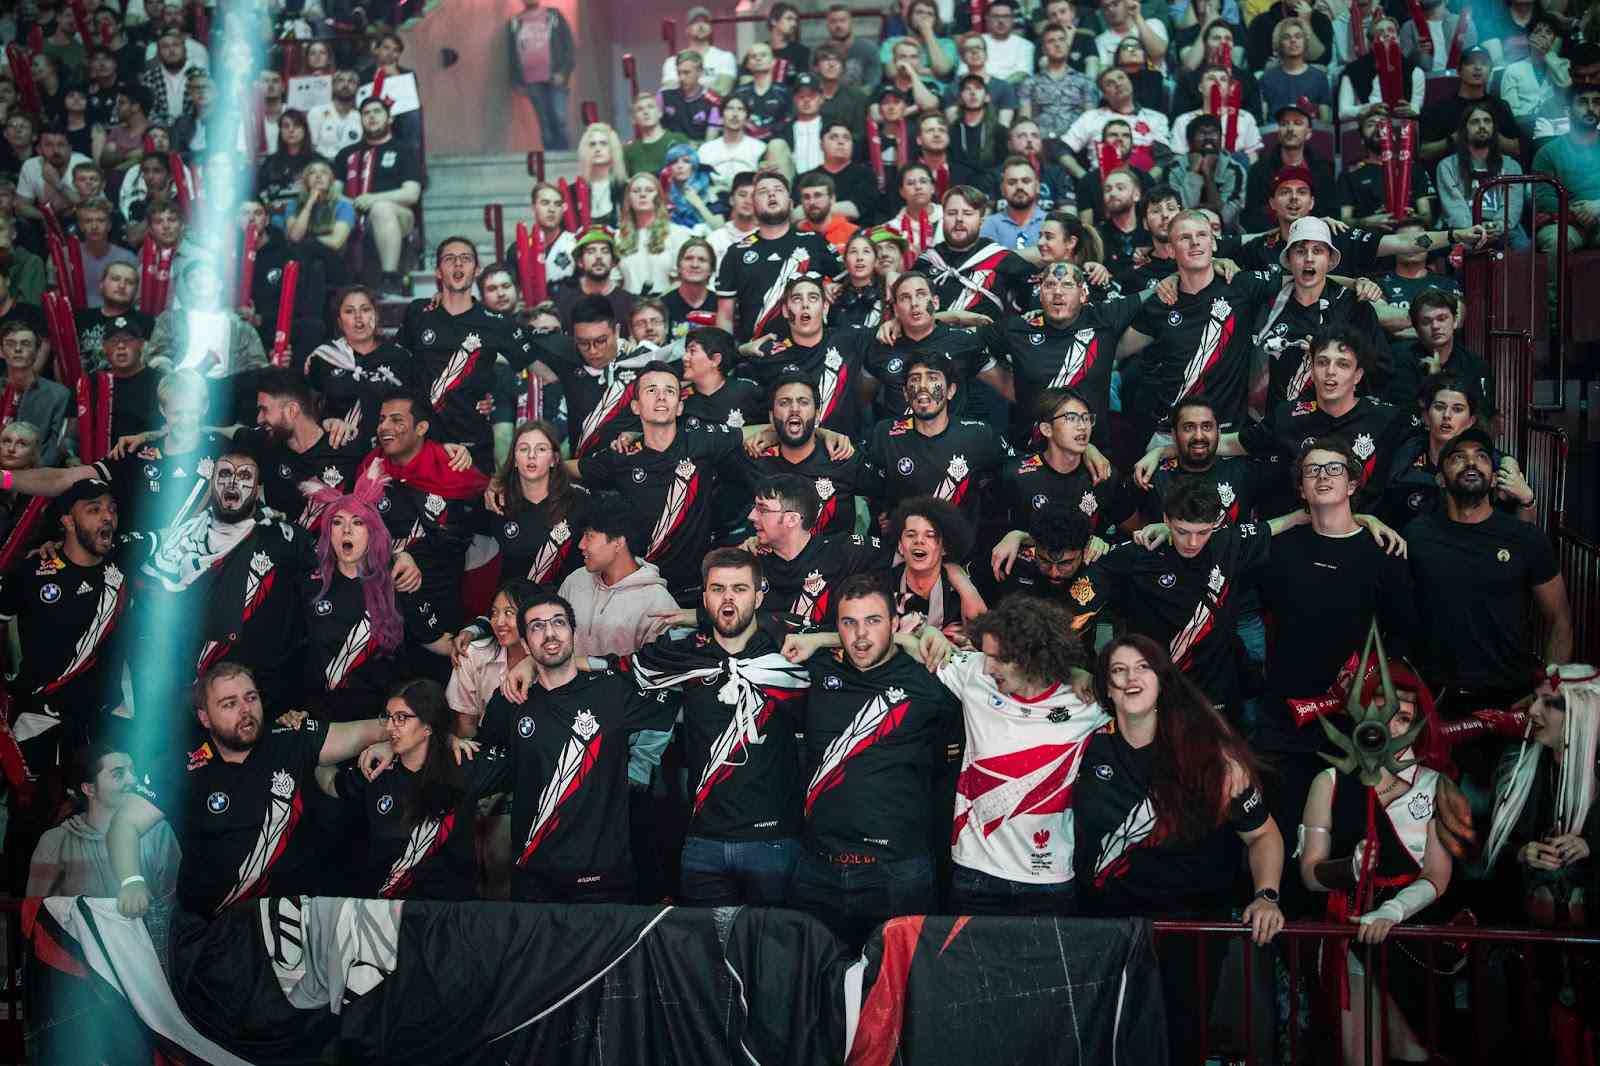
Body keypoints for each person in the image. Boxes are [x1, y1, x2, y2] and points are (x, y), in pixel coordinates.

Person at [1076, 634, 1284, 1062]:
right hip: (1107, 932)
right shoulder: (1083, 746)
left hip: (1190, 934)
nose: (1131, 678)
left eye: (1142, 668)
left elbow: (1263, 834)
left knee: (1181, 1045)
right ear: (1106, 688)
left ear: (1162, 681)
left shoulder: (1210, 755)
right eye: (1119, 670)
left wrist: (1266, 895)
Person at [1252, 438, 1419, 907]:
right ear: (1302, 489)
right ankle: (1283, 944)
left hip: (1354, 723)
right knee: (1282, 828)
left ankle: (1337, 953)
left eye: (1334, 468)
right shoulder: (1280, 549)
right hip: (1285, 715)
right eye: (1312, 471)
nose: (1323, 476)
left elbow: (1403, 639)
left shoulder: (1384, 550)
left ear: (1352, 482)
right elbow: (1226, 550)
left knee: (1346, 837)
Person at [110, 661, 390, 917]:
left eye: (251, 698)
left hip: (289, 920)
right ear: (205, 717)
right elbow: (124, 824)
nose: (245, 711)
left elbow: (367, 731)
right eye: (229, 704)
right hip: (212, 927)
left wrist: (390, 741)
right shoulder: (180, 765)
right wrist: (131, 881)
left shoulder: (290, 738)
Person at [622, 547, 812, 905]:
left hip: (774, 842)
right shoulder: (687, 658)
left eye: (739, 589)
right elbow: (618, 669)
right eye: (718, 589)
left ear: (758, 597)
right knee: (705, 954)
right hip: (703, 842)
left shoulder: (789, 654)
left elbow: (856, 641)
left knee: (772, 954)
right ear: (705, 598)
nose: (728, 598)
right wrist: (532, 667)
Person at [779, 575, 960, 941]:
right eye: (849, 623)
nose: (861, 636)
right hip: (818, 867)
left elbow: (1011, 674)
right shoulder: (818, 672)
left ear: (895, 623)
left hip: (897, 871)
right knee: (815, 986)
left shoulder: (929, 679)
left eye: (873, 621)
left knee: (899, 990)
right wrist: (818, 639)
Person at [474, 591, 677, 902]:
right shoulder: (510, 700)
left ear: (573, 632)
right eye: (537, 626)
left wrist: (640, 764)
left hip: (603, 877)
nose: (551, 632)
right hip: (534, 874)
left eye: (559, 623)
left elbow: (674, 684)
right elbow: (480, 753)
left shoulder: (612, 692)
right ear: (525, 643)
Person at [1299, 663, 1456, 1066]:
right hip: (1350, 933)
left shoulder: (1436, 785)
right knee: (1360, 1056)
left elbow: (1438, 876)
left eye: (1404, 716)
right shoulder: (1328, 782)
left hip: (1414, 937)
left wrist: (1392, 910)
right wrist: (1347, 870)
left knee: (1415, 1051)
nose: (1392, 724)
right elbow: (1309, 874)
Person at [1405, 427, 1568, 710]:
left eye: (1481, 456)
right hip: (1433, 699)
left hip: (1511, 698)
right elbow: (1395, 615)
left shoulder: (1525, 538)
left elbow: (1560, 619)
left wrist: (1548, 690)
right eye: (1458, 457)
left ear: (1494, 478)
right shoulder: (1415, 535)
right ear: (1440, 479)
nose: (1471, 462)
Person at [1114, 210, 1283, 443]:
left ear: (1213, 243)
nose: (1194, 242)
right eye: (1185, 237)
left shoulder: (1240, 285)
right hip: (1171, 434)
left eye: (1202, 235)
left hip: (1227, 433)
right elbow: (1117, 350)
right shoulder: (1161, 302)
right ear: (1171, 250)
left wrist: (1353, 283)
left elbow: (1305, 281)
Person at [0, 479, 131, 773]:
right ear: (68, 521)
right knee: (34, 811)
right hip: (38, 717)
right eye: (93, 509)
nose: (107, 516)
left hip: (100, 722)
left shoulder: (126, 563)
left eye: (112, 509)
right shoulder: (31, 571)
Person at [400, 238, 538, 472]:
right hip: (424, 444)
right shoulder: (418, 312)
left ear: (476, 269)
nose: (457, 265)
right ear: (438, 271)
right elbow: (396, 365)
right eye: (449, 259)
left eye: (465, 259)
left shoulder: (495, 323)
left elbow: (539, 365)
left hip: (474, 447)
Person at [1483, 666, 1598, 928]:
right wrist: (1522, 853)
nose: (1533, 711)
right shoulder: (1516, 764)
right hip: (1523, 926)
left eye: (1549, 703)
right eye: (1535, 699)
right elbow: (1487, 848)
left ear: (1582, 713)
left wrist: (1590, 845)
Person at [293, 465, 409, 722]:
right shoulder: (308, 585)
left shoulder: (396, 581)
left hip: (380, 724)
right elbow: (292, 656)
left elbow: (417, 655)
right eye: (337, 522)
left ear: (372, 533)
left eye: (357, 522)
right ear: (328, 532)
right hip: (320, 724)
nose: (346, 531)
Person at [27, 743, 180, 901]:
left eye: (133, 771)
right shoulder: (56, 842)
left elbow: (172, 904)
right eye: (118, 774)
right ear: (89, 789)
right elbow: (35, 911)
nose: (133, 780)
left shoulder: (158, 832)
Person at [714, 171, 841, 343]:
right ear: (753, 205)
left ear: (790, 203)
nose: (771, 194)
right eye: (763, 191)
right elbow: (725, 317)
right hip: (758, 357)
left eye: (778, 190)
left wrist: (833, 286)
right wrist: (728, 360)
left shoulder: (814, 241)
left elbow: (850, 279)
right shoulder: (736, 253)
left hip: (812, 354)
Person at [742, 374, 876, 537]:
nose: (794, 408)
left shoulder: (841, 456)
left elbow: (889, 493)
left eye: (803, 402)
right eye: (784, 403)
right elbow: (722, 436)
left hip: (832, 560)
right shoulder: (755, 458)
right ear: (771, 416)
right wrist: (770, 432)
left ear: (817, 414)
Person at [556, 492, 678, 658]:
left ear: (618, 542)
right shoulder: (575, 581)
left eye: (589, 536)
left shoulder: (658, 603)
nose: (581, 545)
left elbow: (657, 670)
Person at [306, 285, 420, 452]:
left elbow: (413, 411)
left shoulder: (399, 357)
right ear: (339, 321)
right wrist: (324, 423)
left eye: (365, 310)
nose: (359, 318)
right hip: (336, 452)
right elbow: (307, 409)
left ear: (376, 315)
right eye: (349, 311)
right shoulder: (323, 357)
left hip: (388, 453)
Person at [331, 97, 423, 296]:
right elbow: (334, 193)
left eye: (377, 112)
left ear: (389, 119)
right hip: (353, 212)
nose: (372, 116)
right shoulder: (346, 153)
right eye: (366, 113)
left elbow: (411, 194)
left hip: (398, 214)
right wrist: (352, 203)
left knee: (381, 209)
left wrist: (373, 199)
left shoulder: (404, 151)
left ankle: (390, 277)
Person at [1532, 85, 1600, 314]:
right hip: (1563, 223)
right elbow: (1543, 199)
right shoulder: (1549, 152)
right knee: (1555, 242)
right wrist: (1579, 213)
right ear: (1568, 110)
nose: (1591, 108)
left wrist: (1597, 207)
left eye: (1597, 102)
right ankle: (1555, 318)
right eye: (1583, 102)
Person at [888, 496, 986, 636]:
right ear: (900, 546)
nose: (919, 541)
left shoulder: (959, 594)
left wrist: (962, 642)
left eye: (930, 535)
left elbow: (986, 643)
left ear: (945, 548)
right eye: (911, 535)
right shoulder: (885, 585)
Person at [1435, 103, 1527, 249]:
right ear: (1464, 129)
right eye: (1475, 122)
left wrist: (1497, 226)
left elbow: (1512, 206)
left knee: (1522, 246)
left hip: (1499, 226)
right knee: (1459, 247)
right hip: (1463, 227)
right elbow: (1454, 208)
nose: (1482, 126)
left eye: (1487, 121)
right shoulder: (1447, 166)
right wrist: (1473, 231)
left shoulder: (1511, 166)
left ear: (1494, 128)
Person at [1418, 47, 1521, 165]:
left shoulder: (1500, 106)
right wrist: (1454, 139)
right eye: (1470, 63)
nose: (1478, 67)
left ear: (1490, 71)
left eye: (1484, 63)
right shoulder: (1439, 108)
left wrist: (1491, 134)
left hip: (1495, 171)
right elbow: (1424, 152)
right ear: (1458, 71)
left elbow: (1516, 149)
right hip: (1453, 174)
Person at [0, 320, 70, 466]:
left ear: (37, 351)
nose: (18, 349)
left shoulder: (58, 395)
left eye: (25, 344)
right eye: (10, 344)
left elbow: (56, 449)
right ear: (1, 351)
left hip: (36, 479)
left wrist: (30, 481)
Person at [508, 0, 575, 151]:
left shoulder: (553, 15)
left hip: (556, 78)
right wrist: (516, 81)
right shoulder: (515, 22)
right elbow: (511, 53)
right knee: (545, 125)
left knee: (560, 119)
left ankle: (565, 158)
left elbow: (568, 45)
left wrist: (564, 73)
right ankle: (550, 163)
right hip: (531, 80)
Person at [615, 172, 691, 298]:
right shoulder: (618, 236)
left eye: (649, 190)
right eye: (636, 191)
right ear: (628, 199)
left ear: (659, 198)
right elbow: (614, 282)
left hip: (666, 303)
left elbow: (684, 279)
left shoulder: (677, 234)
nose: (642, 195)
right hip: (629, 305)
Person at [1019, 25, 1097, 144]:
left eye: (1061, 40)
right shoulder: (1030, 83)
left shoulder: (1084, 81)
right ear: (1044, 49)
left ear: (1067, 45)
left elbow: (1090, 120)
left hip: (1076, 144)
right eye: (1051, 41)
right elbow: (1025, 121)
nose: (1057, 44)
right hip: (1042, 144)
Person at [1257, 20, 1331, 123]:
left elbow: (1325, 122)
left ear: (1305, 41)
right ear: (1279, 43)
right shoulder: (1267, 78)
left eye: (1298, 36)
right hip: (1275, 134)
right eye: (1287, 37)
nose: (1293, 40)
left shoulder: (1319, 77)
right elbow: (1263, 120)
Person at [660, 6, 738, 96]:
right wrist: (709, 87)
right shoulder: (672, 62)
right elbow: (670, 93)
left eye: (705, 22)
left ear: (711, 28)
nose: (701, 26)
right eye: (695, 22)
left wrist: (689, 87)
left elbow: (723, 91)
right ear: (687, 30)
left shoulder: (725, 57)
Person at [307, 70, 364, 161]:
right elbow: (311, 146)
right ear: (333, 86)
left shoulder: (361, 117)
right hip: (322, 166)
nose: (345, 85)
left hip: (351, 168)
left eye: (351, 81)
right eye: (341, 80)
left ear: (357, 88)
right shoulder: (317, 112)